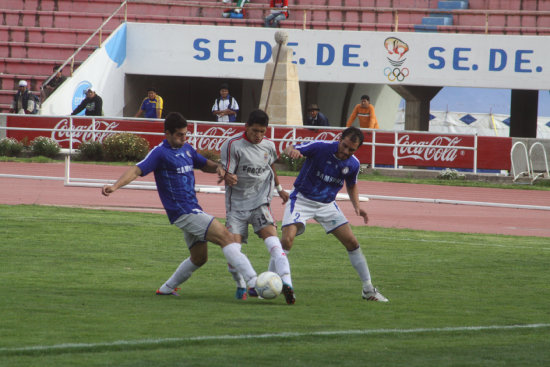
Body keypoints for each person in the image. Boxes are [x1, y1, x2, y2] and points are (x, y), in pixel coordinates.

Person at [101, 112, 260, 297]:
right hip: (183, 211)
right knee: (227, 237)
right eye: (179, 135)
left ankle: (166, 289)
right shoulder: (160, 153)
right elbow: (137, 169)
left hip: (192, 209)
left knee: (199, 258)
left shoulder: (187, 149)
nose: (184, 138)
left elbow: (203, 164)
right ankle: (254, 282)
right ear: (167, 133)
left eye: (186, 134)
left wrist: (218, 167)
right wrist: (114, 186)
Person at [280, 126, 389, 302]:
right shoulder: (321, 147)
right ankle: (274, 281)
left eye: (351, 149)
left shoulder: (353, 164)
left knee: (352, 242)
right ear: (340, 139)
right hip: (301, 199)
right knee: (286, 240)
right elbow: (290, 148)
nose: (345, 151)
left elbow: (352, 185)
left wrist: (357, 206)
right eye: (344, 146)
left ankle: (368, 290)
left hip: (327, 205)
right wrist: (292, 151)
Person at [219, 109, 295, 304]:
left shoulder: (269, 146)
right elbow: (226, 173)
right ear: (246, 127)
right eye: (254, 131)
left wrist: (279, 188)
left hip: (261, 202)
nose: (258, 136)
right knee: (232, 253)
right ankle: (241, 284)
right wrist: (228, 177)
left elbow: (271, 166)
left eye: (262, 131)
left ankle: (288, 283)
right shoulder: (232, 145)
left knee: (274, 243)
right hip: (236, 206)